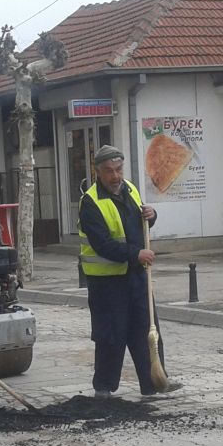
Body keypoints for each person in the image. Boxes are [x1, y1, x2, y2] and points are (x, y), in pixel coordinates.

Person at [78, 144, 180, 398]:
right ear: (98, 172)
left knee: (147, 330)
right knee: (111, 335)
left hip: (136, 276)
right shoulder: (91, 202)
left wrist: (151, 214)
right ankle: (104, 387)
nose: (115, 176)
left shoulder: (131, 189)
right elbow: (102, 244)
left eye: (118, 169)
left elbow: (140, 221)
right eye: (109, 171)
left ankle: (155, 381)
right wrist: (135, 254)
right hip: (107, 284)